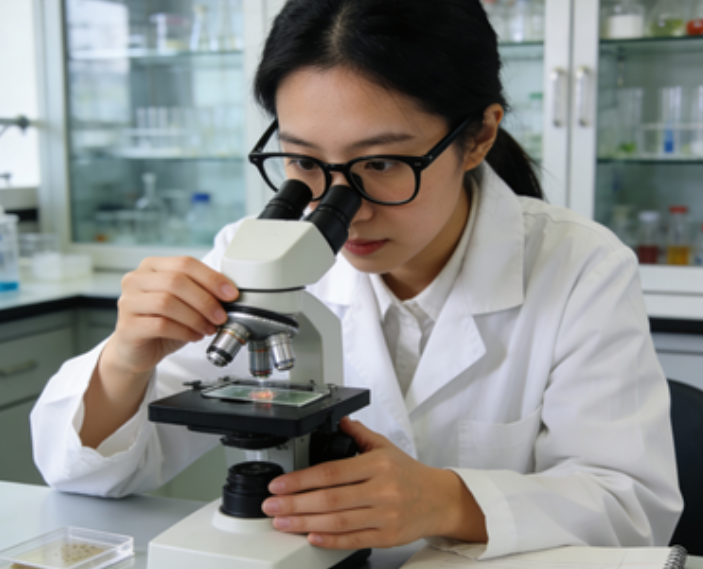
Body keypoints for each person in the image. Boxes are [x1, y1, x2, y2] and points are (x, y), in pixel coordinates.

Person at [31, 0, 682, 559]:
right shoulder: (254, 256)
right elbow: (84, 473)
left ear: (480, 136)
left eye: (381, 162)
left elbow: (631, 507)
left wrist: (446, 500)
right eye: (302, 162)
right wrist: (126, 360)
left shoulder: (580, 267)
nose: (342, 205)